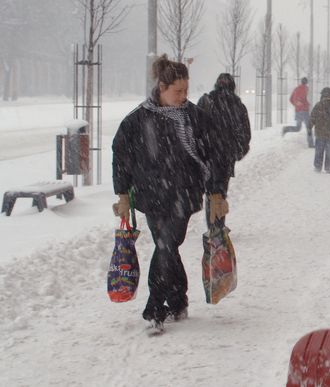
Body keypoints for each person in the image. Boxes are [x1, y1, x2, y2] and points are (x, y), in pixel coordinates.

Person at [112, 54, 230, 330]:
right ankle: (178, 300)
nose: (183, 96)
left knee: (166, 245)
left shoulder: (196, 118)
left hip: (183, 196)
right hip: (150, 197)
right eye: (178, 91)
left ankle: (155, 305)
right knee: (166, 248)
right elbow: (121, 156)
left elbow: (217, 156)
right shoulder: (137, 120)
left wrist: (217, 193)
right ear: (161, 89)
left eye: (186, 90)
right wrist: (123, 194)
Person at [198, 73, 251, 227]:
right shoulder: (238, 105)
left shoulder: (206, 101)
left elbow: (194, 127)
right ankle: (217, 226)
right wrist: (235, 154)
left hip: (206, 156)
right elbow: (245, 135)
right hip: (225, 158)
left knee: (210, 192)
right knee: (220, 191)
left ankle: (212, 224)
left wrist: (200, 151)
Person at [309, 87, 330, 174]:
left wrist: (309, 127)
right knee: (329, 151)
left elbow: (312, 117)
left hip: (320, 132)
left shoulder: (318, 105)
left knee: (319, 150)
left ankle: (318, 166)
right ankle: (328, 167)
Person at [283, 77, 313, 147]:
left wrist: (296, 105)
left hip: (298, 112)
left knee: (298, 128)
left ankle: (286, 129)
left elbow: (291, 99)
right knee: (309, 127)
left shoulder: (296, 89)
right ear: (306, 82)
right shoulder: (306, 89)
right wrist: (307, 104)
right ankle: (311, 144)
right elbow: (304, 99)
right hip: (305, 111)